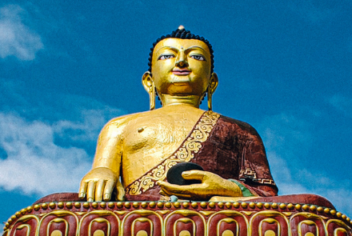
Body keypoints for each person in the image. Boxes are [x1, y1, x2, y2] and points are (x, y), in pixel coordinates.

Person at [78, 26, 278, 202]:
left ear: (212, 82)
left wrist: (227, 188)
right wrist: (101, 173)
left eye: (196, 57)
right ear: (149, 81)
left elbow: (266, 196)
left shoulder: (240, 130)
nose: (181, 62)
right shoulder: (119, 127)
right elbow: (103, 171)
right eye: (167, 56)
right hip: (141, 215)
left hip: (216, 216)